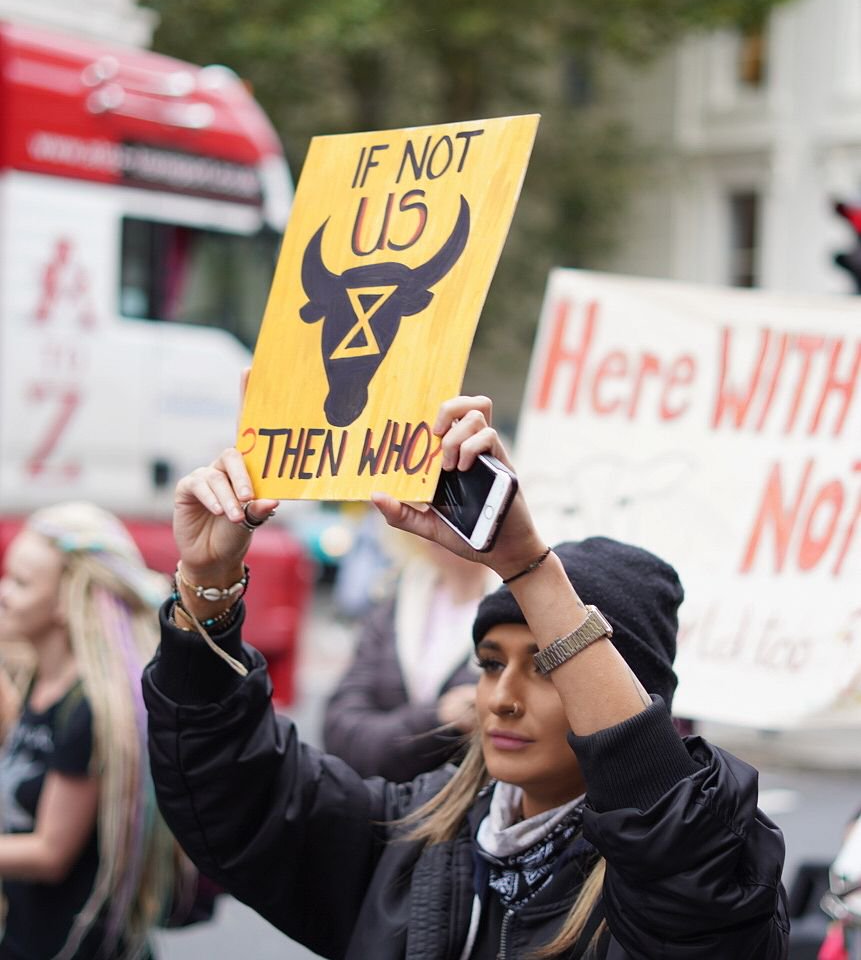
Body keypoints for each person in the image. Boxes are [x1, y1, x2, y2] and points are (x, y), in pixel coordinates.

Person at [143, 394, 790, 958]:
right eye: (489, 663)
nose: (500, 699)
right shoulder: (412, 837)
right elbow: (234, 789)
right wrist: (207, 586)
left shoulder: (697, 870)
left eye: (548, 666)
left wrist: (526, 566)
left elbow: (677, 856)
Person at [0, 502, 195, 960]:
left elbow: (50, 854)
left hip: (72, 946)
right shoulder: (29, 682)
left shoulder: (88, 709)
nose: (4, 593)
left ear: (65, 602)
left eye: (21, 583)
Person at [323, 536, 492, 781]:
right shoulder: (395, 603)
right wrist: (438, 717)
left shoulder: (515, 612)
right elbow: (342, 733)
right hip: (383, 793)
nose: (441, 524)